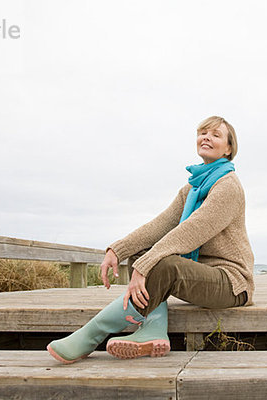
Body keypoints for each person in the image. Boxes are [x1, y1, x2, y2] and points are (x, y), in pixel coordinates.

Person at [47, 116, 254, 363]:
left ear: (229, 148)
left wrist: (145, 265)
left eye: (215, 135)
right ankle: (154, 330)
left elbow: (193, 230)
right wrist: (117, 250)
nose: (206, 137)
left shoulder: (228, 185)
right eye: (203, 133)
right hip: (201, 273)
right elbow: (161, 225)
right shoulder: (192, 189)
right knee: (144, 251)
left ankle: (91, 335)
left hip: (231, 283)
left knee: (164, 264)